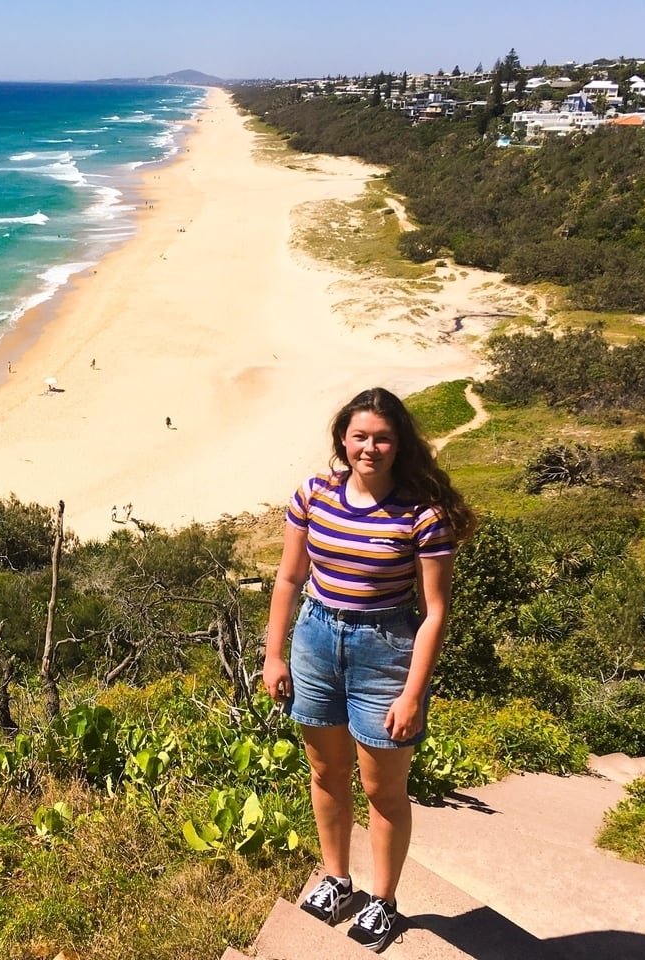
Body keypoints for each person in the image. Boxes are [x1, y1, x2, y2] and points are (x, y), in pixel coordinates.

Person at [263, 387, 475, 952]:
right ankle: (337, 879)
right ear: (343, 439)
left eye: (382, 438)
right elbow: (287, 578)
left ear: (399, 444)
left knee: (385, 789)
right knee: (325, 773)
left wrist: (411, 694)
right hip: (313, 637)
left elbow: (434, 614)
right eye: (360, 436)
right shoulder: (314, 495)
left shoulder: (423, 515)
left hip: (386, 649)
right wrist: (274, 653)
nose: (370, 448)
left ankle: (383, 902)